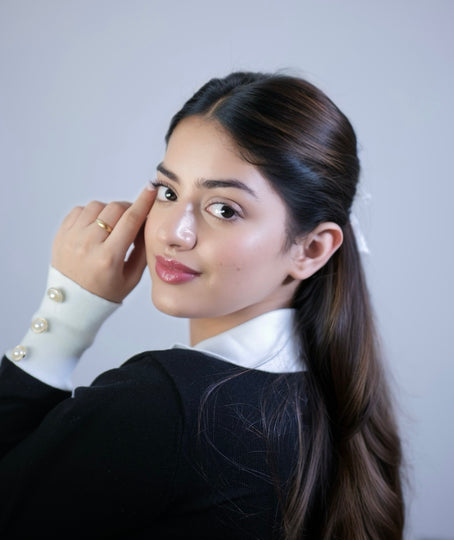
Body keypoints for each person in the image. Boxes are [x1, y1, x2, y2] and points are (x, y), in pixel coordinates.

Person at [0, 72, 404, 539]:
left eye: (224, 209)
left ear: (311, 249)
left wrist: (64, 316)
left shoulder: (163, 405)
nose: (174, 232)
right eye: (169, 193)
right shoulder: (333, 401)